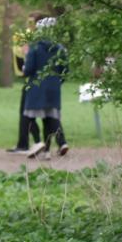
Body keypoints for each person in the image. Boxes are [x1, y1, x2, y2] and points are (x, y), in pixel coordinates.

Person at [23, 16, 69, 159]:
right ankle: (47, 151)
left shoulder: (35, 47)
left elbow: (29, 69)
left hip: (37, 86)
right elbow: (65, 69)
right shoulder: (60, 48)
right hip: (54, 87)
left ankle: (38, 142)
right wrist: (57, 81)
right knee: (50, 119)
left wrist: (24, 68)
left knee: (29, 117)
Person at [6, 15, 41, 153]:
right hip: (36, 82)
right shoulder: (38, 38)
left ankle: (30, 143)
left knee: (26, 114)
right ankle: (36, 143)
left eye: (31, 22)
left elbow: (24, 58)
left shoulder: (30, 38)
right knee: (40, 115)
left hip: (31, 82)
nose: (29, 25)